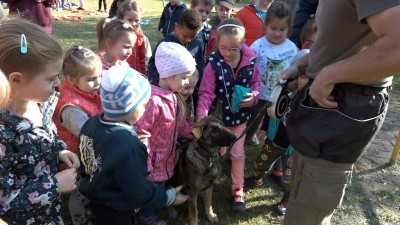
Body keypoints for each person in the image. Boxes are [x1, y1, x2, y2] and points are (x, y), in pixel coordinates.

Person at [278, 1, 400, 224]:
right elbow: (339, 42)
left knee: (310, 209)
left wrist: (328, 75)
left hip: (344, 102)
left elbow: (397, 46)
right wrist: (304, 64)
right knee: (303, 190)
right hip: (330, 99)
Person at [78, 65, 189, 225]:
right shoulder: (129, 144)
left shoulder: (91, 124)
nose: (145, 110)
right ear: (129, 107)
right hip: (118, 209)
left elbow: (86, 160)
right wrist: (168, 197)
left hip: (96, 197)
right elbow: (138, 191)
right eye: (143, 105)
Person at [0, 17, 79, 224]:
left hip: (49, 213)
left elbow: (48, 134)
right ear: (16, 80)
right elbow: (3, 198)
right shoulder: (3, 134)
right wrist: (53, 185)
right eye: (50, 78)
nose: (58, 83)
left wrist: (58, 150)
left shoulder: (40, 103)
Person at [196, 18, 260, 211]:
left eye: (234, 49)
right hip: (220, 120)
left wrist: (254, 97)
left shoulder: (250, 61)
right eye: (224, 48)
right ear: (217, 43)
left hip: (241, 118)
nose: (228, 53)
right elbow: (206, 93)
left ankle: (237, 190)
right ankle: (211, 182)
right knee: (218, 153)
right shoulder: (213, 65)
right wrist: (201, 115)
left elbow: (256, 84)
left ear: (242, 43)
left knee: (238, 153)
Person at [135, 42, 196, 225]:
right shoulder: (153, 100)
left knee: (158, 186)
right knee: (151, 189)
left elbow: (177, 124)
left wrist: (193, 132)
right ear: (169, 76)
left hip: (164, 158)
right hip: (152, 161)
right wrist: (145, 162)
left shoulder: (172, 95)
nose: (187, 82)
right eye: (184, 77)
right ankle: (145, 216)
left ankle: (148, 210)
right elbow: (142, 131)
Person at [53, 46, 103, 225]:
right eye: (91, 79)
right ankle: (79, 220)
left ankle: (90, 210)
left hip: (87, 152)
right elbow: (88, 133)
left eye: (99, 76)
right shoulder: (71, 108)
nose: (97, 83)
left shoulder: (85, 90)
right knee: (80, 191)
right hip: (76, 158)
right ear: (71, 79)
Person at [148, 9, 204, 86]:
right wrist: (155, 84)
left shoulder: (197, 45)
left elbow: (200, 68)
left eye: (193, 36)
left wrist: (198, 87)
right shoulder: (165, 44)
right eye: (185, 36)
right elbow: (153, 66)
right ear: (177, 27)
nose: (189, 40)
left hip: (187, 91)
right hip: (166, 90)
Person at [117, 0, 151, 76]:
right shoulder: (115, 36)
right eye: (130, 20)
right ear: (121, 18)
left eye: (137, 20)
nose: (133, 23)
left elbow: (142, 60)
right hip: (120, 75)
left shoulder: (140, 37)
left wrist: (144, 75)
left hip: (136, 76)